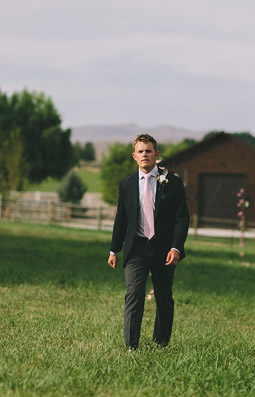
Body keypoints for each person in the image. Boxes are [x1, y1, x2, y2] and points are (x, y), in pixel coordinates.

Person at [108, 134, 190, 352]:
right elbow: (121, 219)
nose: (145, 154)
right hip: (136, 249)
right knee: (133, 294)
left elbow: (182, 218)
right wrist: (114, 249)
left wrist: (176, 247)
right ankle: (131, 346)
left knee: (164, 297)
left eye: (149, 151)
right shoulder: (126, 185)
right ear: (134, 156)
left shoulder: (173, 183)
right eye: (141, 151)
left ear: (157, 154)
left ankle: (161, 344)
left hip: (164, 250)